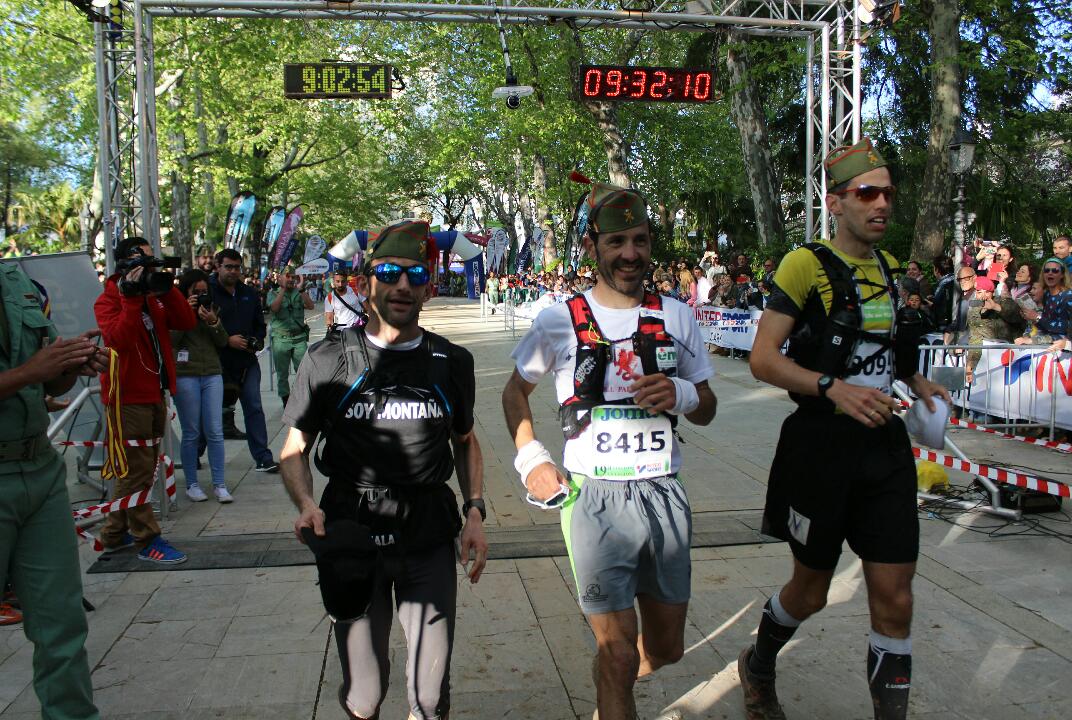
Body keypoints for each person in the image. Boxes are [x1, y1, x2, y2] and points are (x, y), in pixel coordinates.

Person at [743, 138, 950, 720]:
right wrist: (834, 389)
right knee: (809, 592)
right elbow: (763, 358)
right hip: (821, 451)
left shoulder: (886, 267)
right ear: (836, 202)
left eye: (887, 192)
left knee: (895, 596)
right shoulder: (805, 263)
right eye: (867, 193)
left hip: (883, 450)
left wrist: (915, 379)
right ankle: (758, 666)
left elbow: (879, 346)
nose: (881, 203)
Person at [502, 179, 717, 720]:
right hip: (592, 499)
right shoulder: (558, 320)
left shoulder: (677, 316)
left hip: (664, 495)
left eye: (640, 241)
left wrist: (683, 393)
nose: (630, 254)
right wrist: (532, 459)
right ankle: (614, 683)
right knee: (617, 650)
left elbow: (708, 404)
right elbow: (514, 392)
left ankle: (609, 688)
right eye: (617, 241)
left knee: (664, 649)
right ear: (593, 245)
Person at [280, 220, 487, 720]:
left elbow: (466, 440)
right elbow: (293, 447)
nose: (402, 285)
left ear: (430, 288)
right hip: (351, 532)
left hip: (429, 533)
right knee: (365, 695)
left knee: (431, 697)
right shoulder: (327, 358)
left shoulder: (451, 361)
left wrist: (475, 510)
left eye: (416, 275)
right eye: (389, 272)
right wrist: (307, 504)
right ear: (364, 282)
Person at [0, 262, 108, 718]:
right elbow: (29, 372)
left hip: (41, 469)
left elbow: (48, 378)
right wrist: (28, 373)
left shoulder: (18, 281)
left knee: (61, 626)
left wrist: (71, 364)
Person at [95, 236, 195, 563]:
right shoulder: (109, 299)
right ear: (123, 264)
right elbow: (117, 341)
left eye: (151, 260)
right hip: (126, 397)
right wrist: (131, 299)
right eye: (142, 261)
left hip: (154, 393)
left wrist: (166, 288)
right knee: (137, 471)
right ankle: (146, 539)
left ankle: (112, 533)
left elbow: (185, 321)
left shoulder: (153, 295)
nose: (148, 267)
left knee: (144, 469)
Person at [211, 248, 278, 472]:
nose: (233, 271)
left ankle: (262, 457)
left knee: (254, 407)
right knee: (209, 413)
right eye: (228, 267)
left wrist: (256, 341)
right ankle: (195, 454)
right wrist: (226, 340)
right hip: (217, 363)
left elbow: (260, 324)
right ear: (217, 266)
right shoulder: (208, 292)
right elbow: (200, 329)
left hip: (247, 362)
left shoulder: (248, 292)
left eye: (237, 267)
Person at [171, 269, 232, 503]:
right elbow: (171, 341)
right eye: (195, 292)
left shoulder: (212, 309)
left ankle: (219, 484)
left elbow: (222, 341)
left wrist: (213, 321)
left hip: (212, 374)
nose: (200, 295)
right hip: (186, 374)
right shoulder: (177, 310)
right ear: (186, 292)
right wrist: (186, 313)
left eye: (204, 291)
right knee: (191, 432)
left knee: (215, 431)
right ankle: (192, 484)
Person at [268, 265, 314, 408]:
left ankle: (300, 397)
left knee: (303, 371)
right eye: (287, 276)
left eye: (293, 277)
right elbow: (274, 308)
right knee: (282, 374)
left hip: (299, 338)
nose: (290, 279)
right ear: (280, 277)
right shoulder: (273, 293)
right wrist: (282, 289)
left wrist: (301, 289)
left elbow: (310, 306)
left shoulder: (298, 292)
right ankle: (286, 401)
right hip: (281, 339)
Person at [964, 276, 1023, 383]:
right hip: (991, 363)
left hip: (1015, 357)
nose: (983, 296)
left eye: (987, 292)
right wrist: (970, 366)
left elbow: (1018, 318)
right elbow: (975, 337)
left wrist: (996, 307)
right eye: (979, 292)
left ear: (993, 292)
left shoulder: (1005, 301)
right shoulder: (974, 310)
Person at [1020, 257, 1072, 340]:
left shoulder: (1068, 297)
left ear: (1062, 275)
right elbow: (1045, 326)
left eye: (1055, 271)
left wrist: (1037, 317)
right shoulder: (1046, 295)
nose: (1050, 273)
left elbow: (1066, 328)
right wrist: (1031, 318)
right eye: (1047, 270)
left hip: (1064, 349)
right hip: (1046, 344)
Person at [325, 268, 367, 333]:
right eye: (338, 281)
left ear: (347, 282)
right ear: (333, 282)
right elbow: (329, 317)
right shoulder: (329, 298)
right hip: (341, 331)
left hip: (359, 329)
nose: (340, 284)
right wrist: (330, 328)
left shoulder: (356, 291)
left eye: (343, 281)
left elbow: (368, 308)